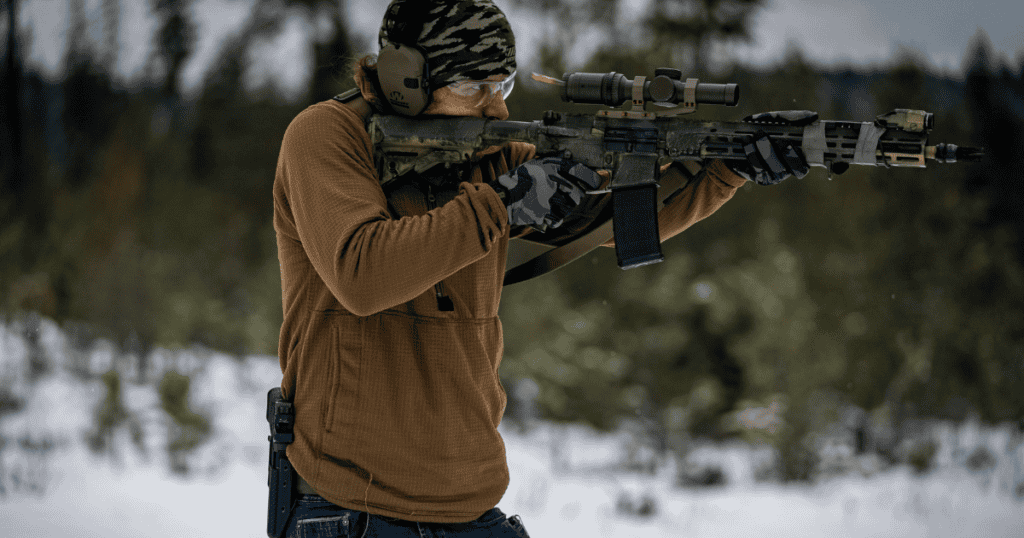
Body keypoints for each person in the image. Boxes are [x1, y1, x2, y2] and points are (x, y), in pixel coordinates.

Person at [272, 1, 806, 536]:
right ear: (404, 80)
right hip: (351, 511)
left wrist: (724, 167)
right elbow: (362, 274)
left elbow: (611, 220)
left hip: (470, 508)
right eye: (474, 87)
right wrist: (500, 205)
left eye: (502, 87)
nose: (496, 109)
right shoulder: (325, 137)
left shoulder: (488, 156)